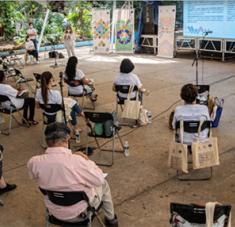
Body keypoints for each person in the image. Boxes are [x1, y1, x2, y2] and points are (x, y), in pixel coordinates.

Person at [27, 122, 118, 227]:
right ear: (67, 139)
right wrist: (86, 160)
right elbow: (99, 179)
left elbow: (34, 176)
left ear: (47, 141)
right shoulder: (77, 161)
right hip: (81, 213)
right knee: (104, 184)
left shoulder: (33, 162)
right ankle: (111, 220)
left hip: (55, 211)